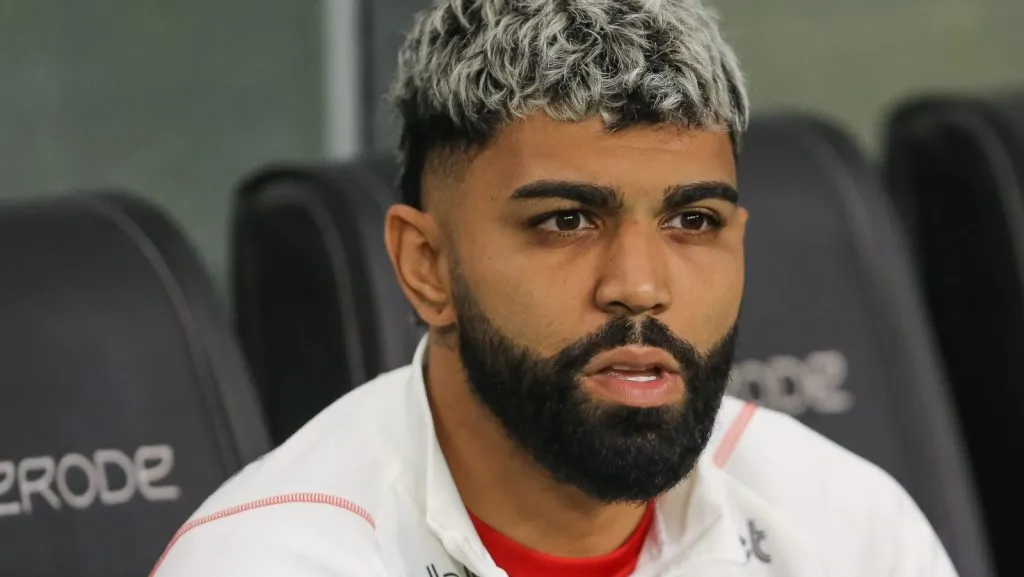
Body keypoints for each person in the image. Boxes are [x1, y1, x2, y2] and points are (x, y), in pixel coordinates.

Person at [151, 1, 958, 576]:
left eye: (693, 221)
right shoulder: (271, 560)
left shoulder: (847, 530)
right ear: (425, 264)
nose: (639, 285)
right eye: (567, 221)